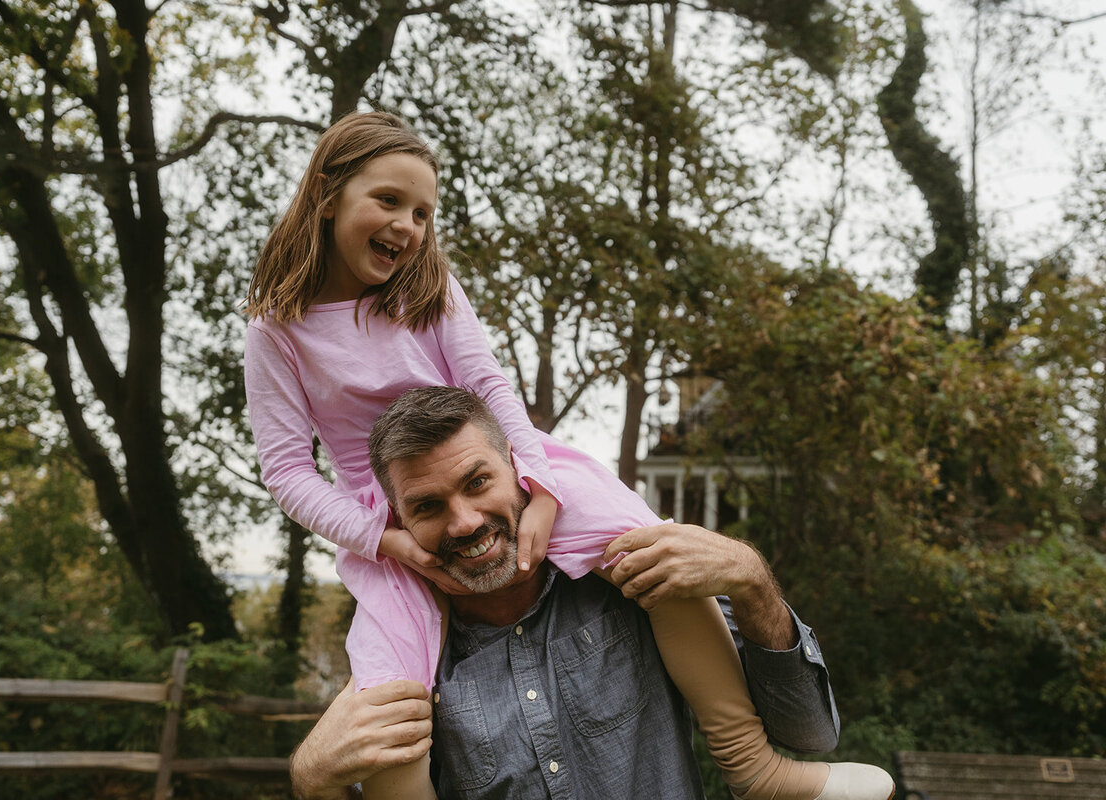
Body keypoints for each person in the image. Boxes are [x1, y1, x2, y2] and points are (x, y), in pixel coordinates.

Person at [244, 111, 893, 800]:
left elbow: (490, 388)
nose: (408, 225)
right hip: (394, 519)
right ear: (326, 196)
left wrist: (542, 489)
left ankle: (752, 766)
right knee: (387, 688)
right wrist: (383, 541)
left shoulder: (427, 290)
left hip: (510, 463)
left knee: (648, 553)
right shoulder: (278, 330)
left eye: (424, 212)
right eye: (388, 201)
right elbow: (285, 470)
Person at [288, 387, 895, 800]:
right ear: (396, 521)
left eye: (478, 482)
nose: (466, 521)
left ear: (519, 468)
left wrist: (754, 584)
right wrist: (312, 781)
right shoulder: (405, 656)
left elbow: (812, 738)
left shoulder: (637, 587)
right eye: (428, 506)